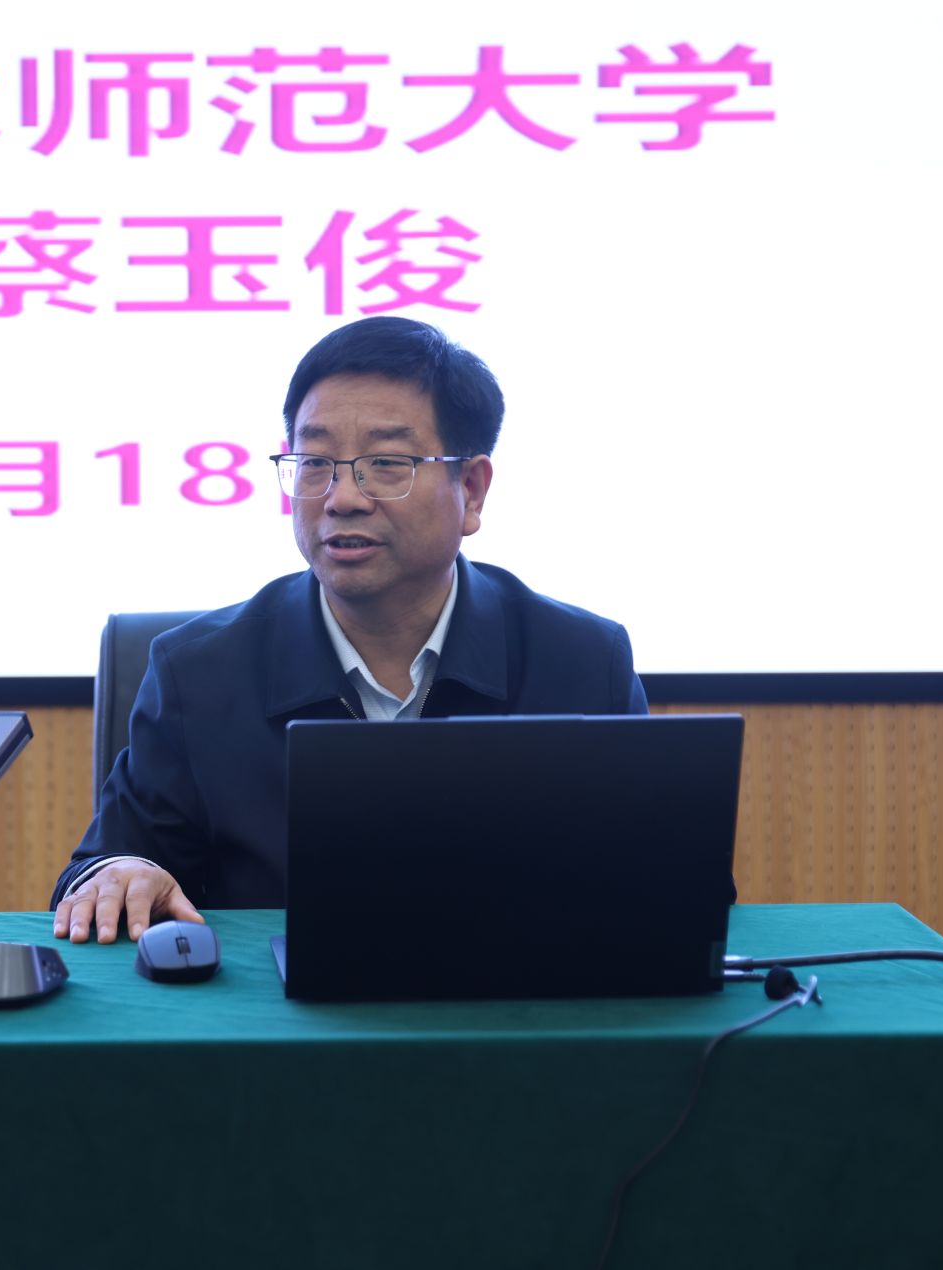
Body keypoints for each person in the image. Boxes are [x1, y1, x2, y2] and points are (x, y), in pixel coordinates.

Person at [51, 316, 648, 944]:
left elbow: (655, 884)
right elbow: (107, 866)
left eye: (386, 463)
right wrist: (121, 872)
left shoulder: (584, 663)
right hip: (276, 1004)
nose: (341, 498)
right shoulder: (197, 674)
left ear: (471, 490)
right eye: (315, 462)